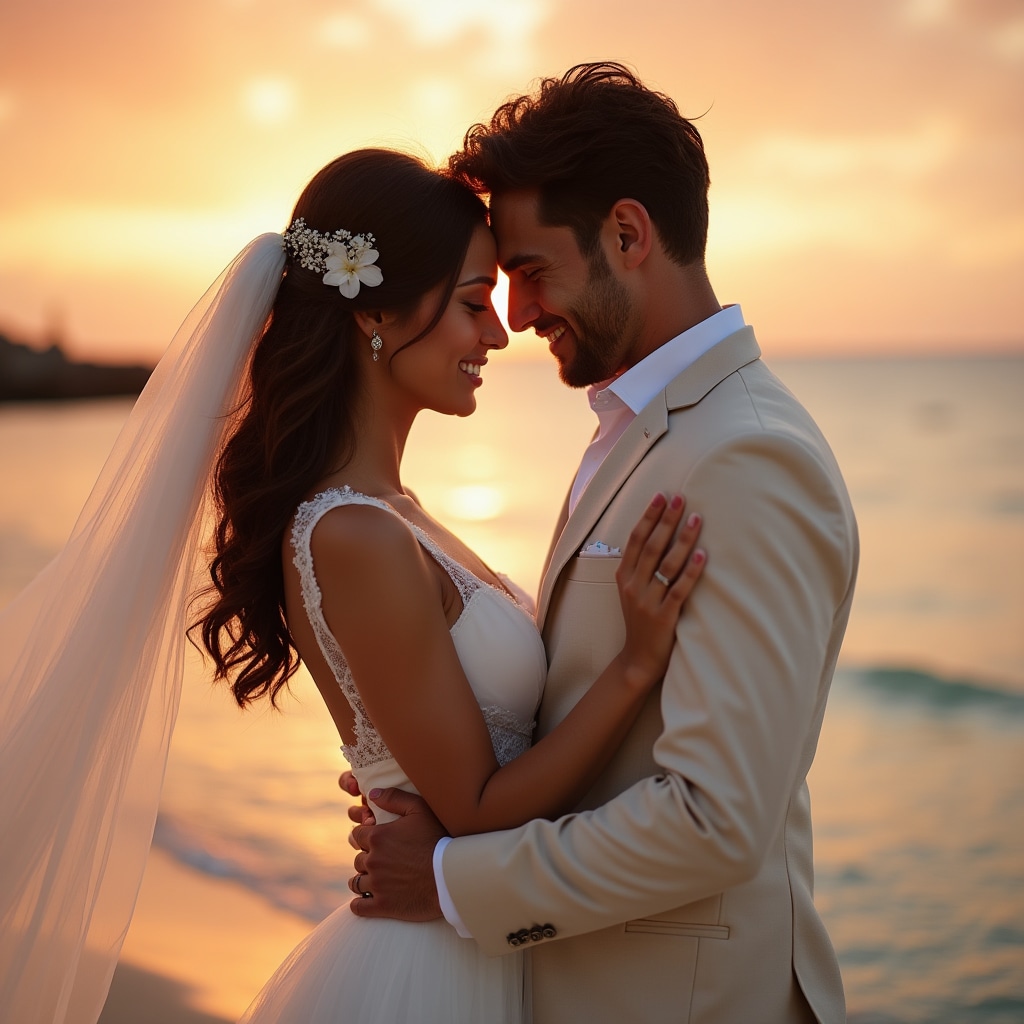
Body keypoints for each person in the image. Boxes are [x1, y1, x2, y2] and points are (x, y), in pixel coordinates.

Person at [0, 147, 705, 1024]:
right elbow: (479, 809)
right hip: (430, 970)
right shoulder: (355, 533)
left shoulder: (394, 512)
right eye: (470, 303)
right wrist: (636, 665)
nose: (497, 334)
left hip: (474, 939)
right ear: (374, 313)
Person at [347, 63, 859, 1024]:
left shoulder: (747, 457)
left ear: (628, 235)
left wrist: (458, 880)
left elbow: (717, 820)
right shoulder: (640, 426)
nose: (519, 314)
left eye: (532, 272)